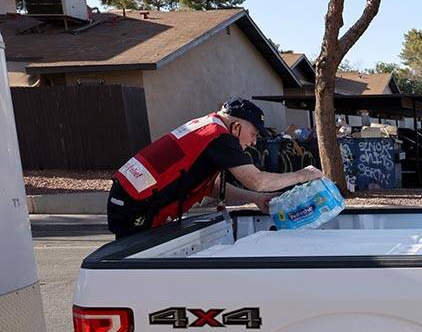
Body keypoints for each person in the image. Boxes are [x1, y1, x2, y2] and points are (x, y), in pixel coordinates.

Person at [107, 98, 324, 238]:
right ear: (237, 126)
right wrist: (303, 175)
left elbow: (211, 187)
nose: (254, 142)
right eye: (254, 134)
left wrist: (255, 199)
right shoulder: (219, 137)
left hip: (127, 197)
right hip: (137, 205)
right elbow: (257, 181)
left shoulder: (207, 128)